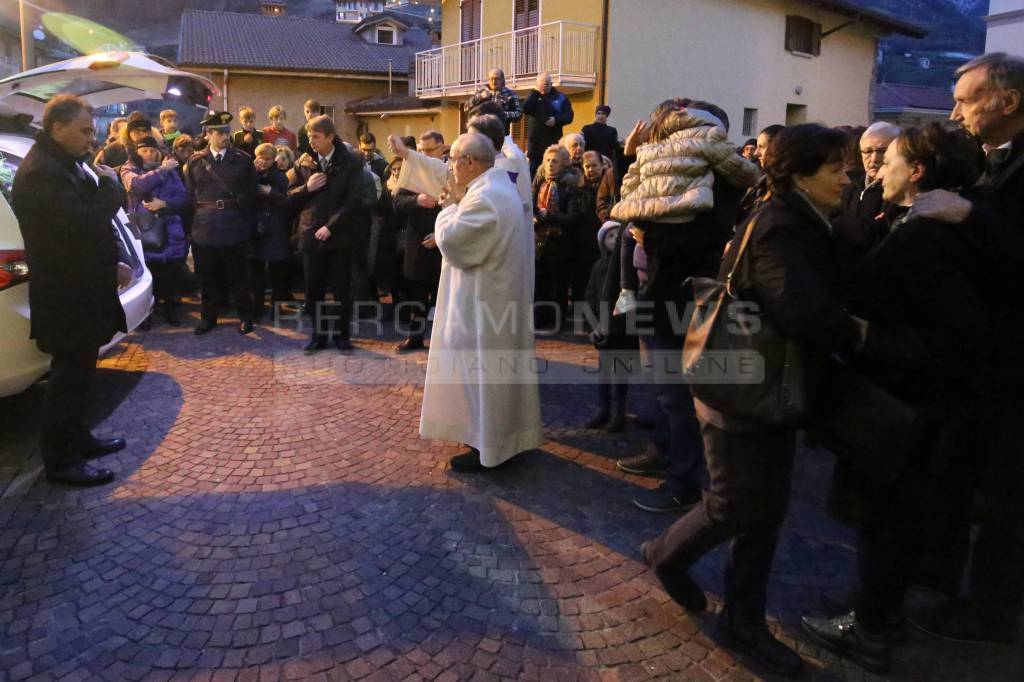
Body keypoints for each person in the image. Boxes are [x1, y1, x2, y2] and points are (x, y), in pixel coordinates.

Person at [641, 124, 866, 678]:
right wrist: (861, 332)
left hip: (769, 389)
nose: (847, 175)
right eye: (835, 167)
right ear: (801, 174)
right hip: (741, 388)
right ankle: (665, 555)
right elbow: (800, 311)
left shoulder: (799, 216)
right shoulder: (779, 226)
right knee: (733, 504)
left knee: (764, 512)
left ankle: (742, 621)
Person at [800, 123, 991, 674]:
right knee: (893, 519)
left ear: (919, 173)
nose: (876, 170)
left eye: (890, 162)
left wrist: (863, 335)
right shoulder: (935, 224)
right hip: (919, 402)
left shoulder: (928, 237)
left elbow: (952, 335)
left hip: (905, 405)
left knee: (888, 519)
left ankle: (871, 629)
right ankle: (878, 611)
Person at [904, 51, 1024, 646]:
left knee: (1006, 495)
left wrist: (969, 214)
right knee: (954, 468)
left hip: (1013, 365)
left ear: (1008, 100)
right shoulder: (992, 159)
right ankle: (938, 577)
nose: (954, 112)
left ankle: (991, 613)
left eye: (965, 99)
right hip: (980, 358)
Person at [11, 94, 131, 486]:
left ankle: (79, 439)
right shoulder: (41, 173)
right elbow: (83, 220)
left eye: (92, 132)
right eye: (83, 131)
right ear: (57, 128)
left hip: (83, 290)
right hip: (66, 296)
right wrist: (113, 186)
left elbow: (89, 229)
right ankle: (60, 463)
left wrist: (112, 260)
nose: (90, 139)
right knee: (66, 381)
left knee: (80, 375)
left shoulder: (67, 164)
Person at [419, 132, 543, 471]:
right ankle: (502, 441)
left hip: (484, 305)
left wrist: (447, 209)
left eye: (452, 160)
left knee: (482, 378)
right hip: (496, 298)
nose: (450, 167)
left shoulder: (485, 197)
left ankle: (487, 449)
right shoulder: (499, 190)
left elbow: (455, 241)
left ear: (470, 162)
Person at [288, 115, 364, 352]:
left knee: (342, 290)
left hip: (339, 237)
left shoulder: (350, 161)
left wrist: (330, 226)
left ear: (330, 137)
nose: (311, 141)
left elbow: (353, 201)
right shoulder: (303, 162)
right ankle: (318, 336)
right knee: (314, 290)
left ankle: (342, 336)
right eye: (309, 136)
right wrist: (306, 188)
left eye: (316, 136)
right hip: (310, 236)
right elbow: (289, 198)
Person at [186, 111, 258, 336]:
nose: (225, 136)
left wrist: (244, 224)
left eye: (227, 131)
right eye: (220, 132)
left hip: (233, 226)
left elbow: (250, 193)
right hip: (204, 228)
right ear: (208, 134)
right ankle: (208, 318)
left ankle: (246, 317)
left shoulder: (243, 160)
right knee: (206, 277)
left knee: (239, 277)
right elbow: (191, 195)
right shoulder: (196, 161)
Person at [120, 135, 190, 327]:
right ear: (137, 153)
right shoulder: (129, 168)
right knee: (145, 273)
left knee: (169, 274)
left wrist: (164, 204)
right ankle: (146, 313)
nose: (149, 154)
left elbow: (183, 198)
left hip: (170, 231)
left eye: (152, 150)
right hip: (144, 230)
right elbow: (135, 185)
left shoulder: (170, 170)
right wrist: (161, 170)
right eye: (144, 151)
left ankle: (169, 308)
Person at [388, 132, 445, 353]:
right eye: (420, 151)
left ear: (442, 149)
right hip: (417, 242)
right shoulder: (413, 171)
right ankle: (415, 337)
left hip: (444, 242)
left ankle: (444, 341)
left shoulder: (450, 171)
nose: (423, 155)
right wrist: (416, 200)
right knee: (416, 295)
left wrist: (440, 235)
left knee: (444, 296)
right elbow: (397, 203)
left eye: (429, 151)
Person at [831, 121, 900, 273]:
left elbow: (884, 240)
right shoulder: (847, 184)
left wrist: (841, 224)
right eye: (868, 151)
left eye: (882, 150)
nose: (874, 159)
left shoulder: (900, 192)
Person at [532, 145, 582, 329]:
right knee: (539, 284)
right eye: (547, 161)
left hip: (560, 241)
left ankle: (556, 322)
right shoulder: (539, 182)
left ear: (564, 164)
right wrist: (535, 217)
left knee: (558, 285)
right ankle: (539, 318)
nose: (550, 165)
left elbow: (573, 217)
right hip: (538, 240)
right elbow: (530, 205)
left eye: (555, 161)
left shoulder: (570, 184)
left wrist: (549, 216)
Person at [249, 143, 293, 323]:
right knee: (256, 272)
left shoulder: (280, 177)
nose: (264, 162)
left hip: (274, 227)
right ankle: (257, 307)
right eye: (261, 158)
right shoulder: (251, 173)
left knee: (276, 273)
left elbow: (286, 202)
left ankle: (276, 308)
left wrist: (270, 192)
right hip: (256, 226)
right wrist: (253, 174)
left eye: (268, 159)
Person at [522, 72, 574, 179]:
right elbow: (525, 108)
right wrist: (535, 92)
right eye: (541, 84)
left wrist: (556, 120)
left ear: (551, 84)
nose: (544, 86)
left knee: (552, 174)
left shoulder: (560, 98)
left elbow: (569, 116)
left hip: (552, 143)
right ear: (537, 84)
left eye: (546, 84)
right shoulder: (534, 97)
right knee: (533, 177)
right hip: (535, 146)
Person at [465, 69, 522, 134]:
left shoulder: (511, 94)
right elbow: (466, 108)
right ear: (488, 80)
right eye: (491, 79)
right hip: (482, 134)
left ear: (502, 80)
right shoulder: (480, 92)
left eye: (497, 79)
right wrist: (480, 97)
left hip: (502, 135)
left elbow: (518, 114)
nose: (494, 81)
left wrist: (501, 113)